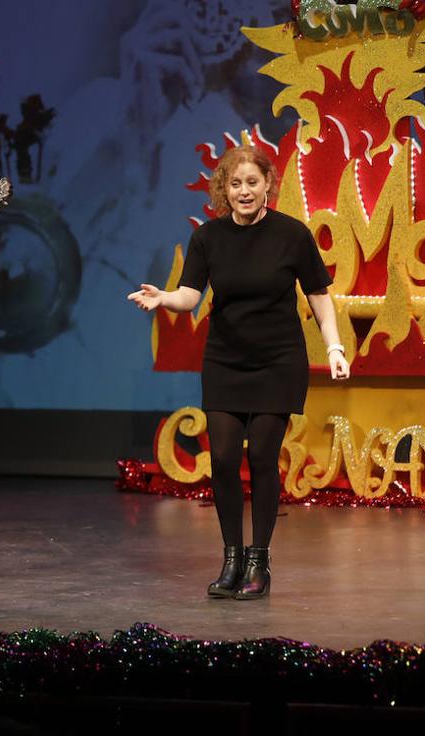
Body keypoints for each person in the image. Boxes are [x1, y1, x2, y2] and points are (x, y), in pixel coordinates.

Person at [127, 144, 350, 599]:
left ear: (268, 184)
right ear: (223, 191)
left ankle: (259, 564)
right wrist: (165, 298)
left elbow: (320, 298)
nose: (244, 191)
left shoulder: (292, 235)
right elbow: (191, 294)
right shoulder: (208, 238)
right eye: (235, 184)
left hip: (278, 362)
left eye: (252, 182)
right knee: (225, 461)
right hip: (225, 361)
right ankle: (231, 558)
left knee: (263, 459)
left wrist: (335, 347)